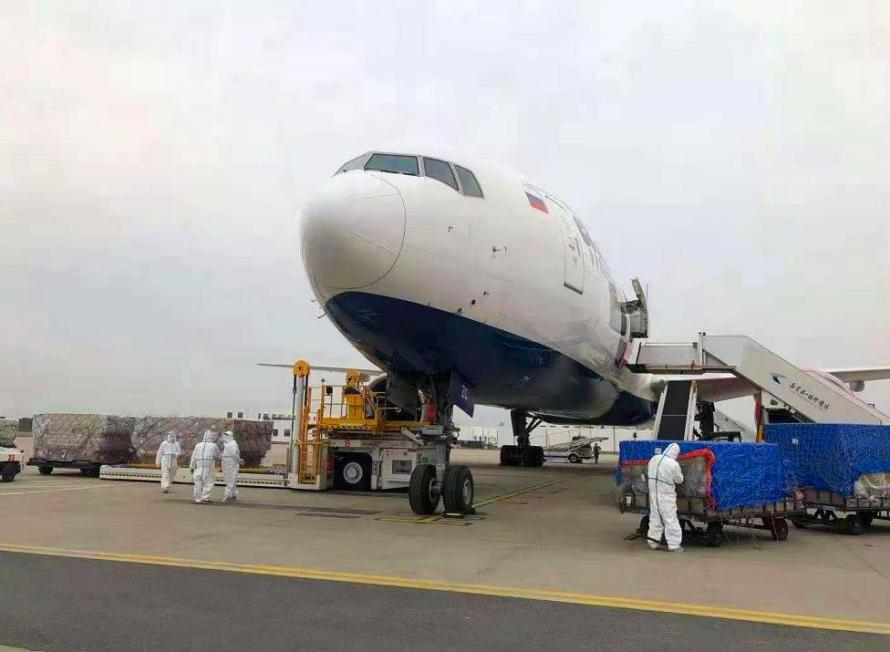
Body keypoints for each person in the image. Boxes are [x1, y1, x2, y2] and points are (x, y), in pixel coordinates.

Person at [646, 442, 685, 552]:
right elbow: (679, 480)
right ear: (675, 453)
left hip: (653, 493)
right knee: (670, 519)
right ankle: (674, 545)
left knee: (655, 518)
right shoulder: (673, 464)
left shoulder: (654, 459)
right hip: (666, 495)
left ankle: (653, 543)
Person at [189, 430, 219, 504]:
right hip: (208, 467)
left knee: (198, 483)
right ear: (211, 437)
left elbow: (193, 456)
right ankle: (205, 498)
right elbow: (217, 455)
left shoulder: (198, 445)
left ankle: (197, 499)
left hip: (198, 467)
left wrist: (191, 467)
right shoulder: (213, 445)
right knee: (208, 483)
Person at [220, 431, 243, 503]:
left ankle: (228, 495)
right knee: (230, 478)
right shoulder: (228, 444)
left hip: (231, 463)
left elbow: (234, 454)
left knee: (230, 478)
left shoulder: (232, 444)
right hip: (227, 462)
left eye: (226, 436)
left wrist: (239, 460)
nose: (224, 437)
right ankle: (233, 494)